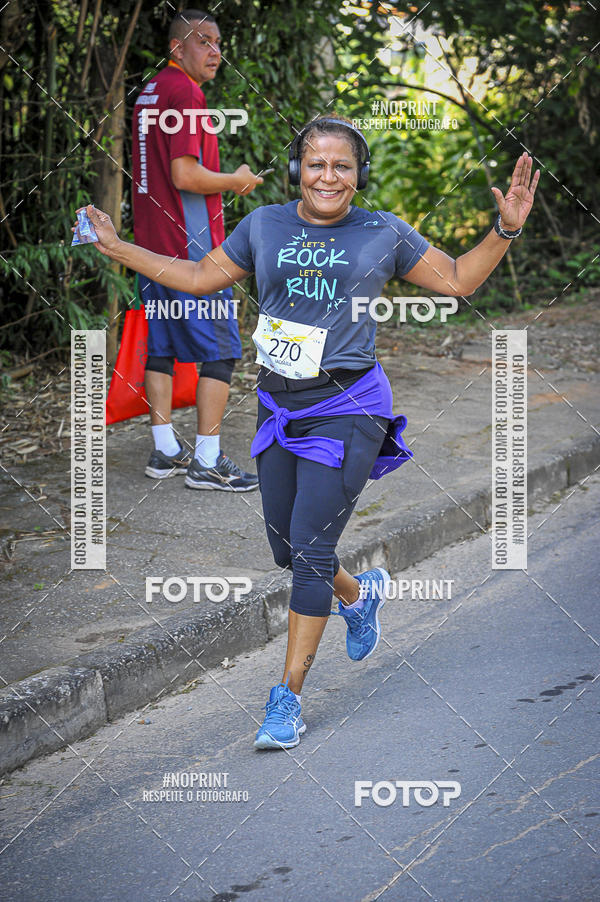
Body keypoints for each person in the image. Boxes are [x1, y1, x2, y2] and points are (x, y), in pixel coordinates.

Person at [79, 114, 539, 750]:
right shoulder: (263, 224)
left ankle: (286, 698)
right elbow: (194, 277)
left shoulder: (382, 231)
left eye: (342, 166)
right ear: (298, 169)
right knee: (287, 547)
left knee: (311, 550)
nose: (329, 176)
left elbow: (457, 279)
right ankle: (359, 597)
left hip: (349, 407)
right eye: (317, 163)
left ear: (358, 175)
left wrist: (504, 229)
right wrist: (117, 247)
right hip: (277, 406)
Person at [131, 8, 263, 491]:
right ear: (176, 48)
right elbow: (184, 176)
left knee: (162, 347)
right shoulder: (184, 91)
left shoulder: (150, 92)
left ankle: (165, 450)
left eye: (218, 42)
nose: (215, 51)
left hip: (150, 245)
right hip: (190, 250)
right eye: (203, 41)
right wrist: (237, 179)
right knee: (222, 351)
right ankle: (206, 460)